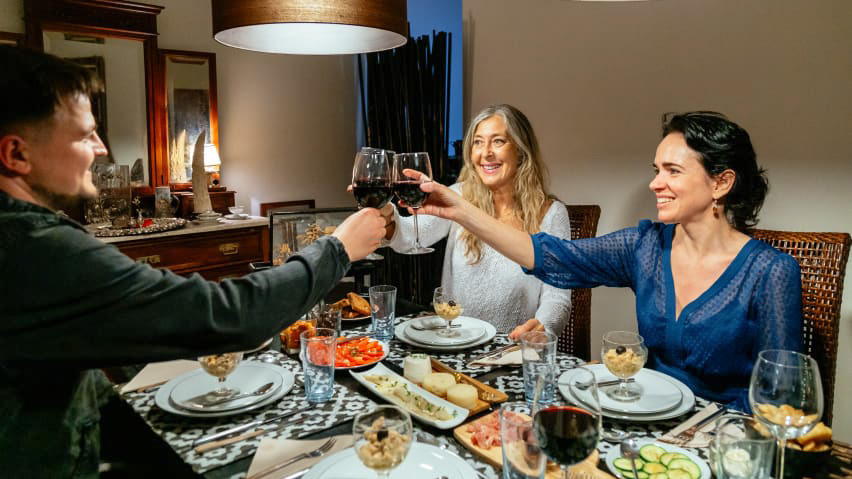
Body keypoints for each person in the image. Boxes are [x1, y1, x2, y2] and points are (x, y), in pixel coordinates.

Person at [0, 45, 386, 477]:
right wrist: (338, 249)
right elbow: (224, 314)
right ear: (16, 154)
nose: (102, 148)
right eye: (84, 135)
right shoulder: (33, 249)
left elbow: (83, 382)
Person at [406, 111, 802, 411]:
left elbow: (783, 401)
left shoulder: (770, 272)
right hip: (646, 419)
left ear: (721, 183)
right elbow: (551, 256)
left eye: (673, 171)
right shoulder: (644, 246)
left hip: (724, 445)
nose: (655, 183)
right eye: (656, 170)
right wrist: (460, 210)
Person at [381, 104, 572, 337]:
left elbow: (558, 297)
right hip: (455, 345)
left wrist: (544, 327)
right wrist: (386, 216)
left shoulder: (551, 213)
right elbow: (410, 237)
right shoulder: (460, 196)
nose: (486, 153)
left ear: (521, 151)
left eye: (498, 141)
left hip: (510, 350)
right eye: (478, 142)